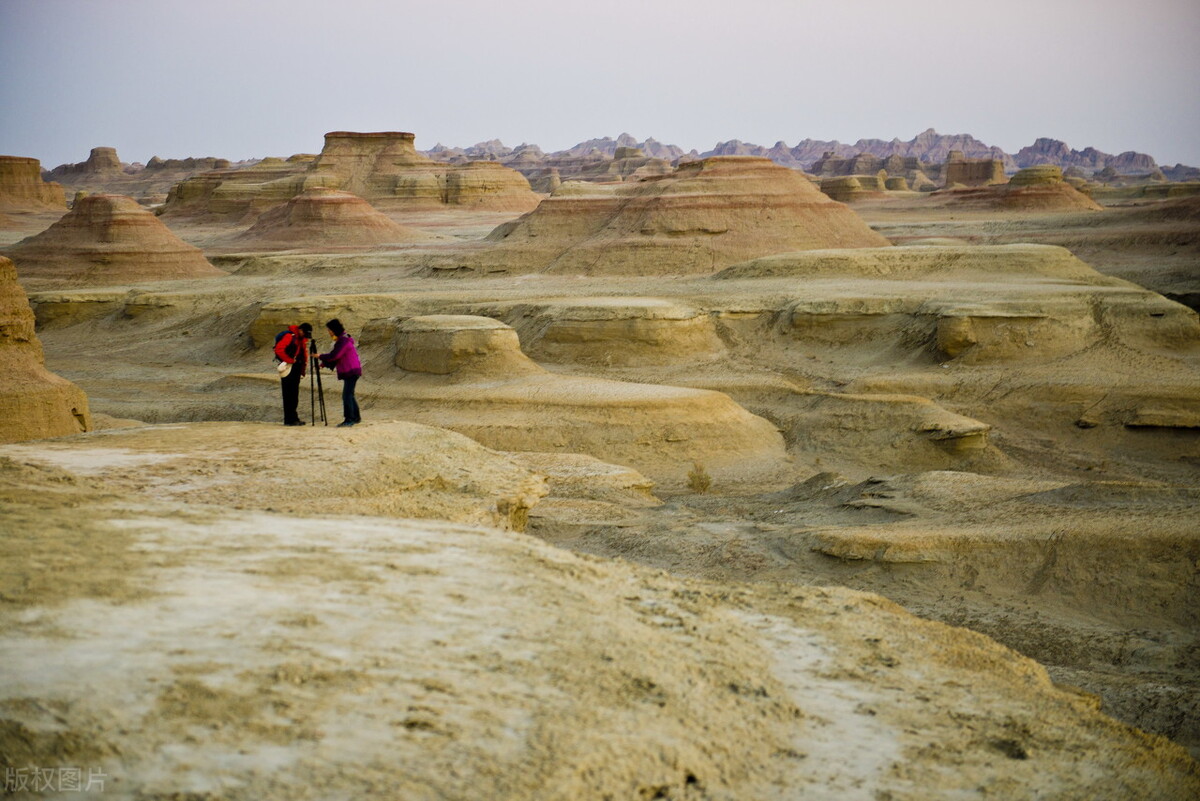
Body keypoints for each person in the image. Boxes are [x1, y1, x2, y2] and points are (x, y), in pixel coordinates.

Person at [316, 318, 362, 427]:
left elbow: (335, 356)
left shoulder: (343, 340)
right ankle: (355, 417)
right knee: (349, 394)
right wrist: (323, 364)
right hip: (352, 370)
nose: (329, 332)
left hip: (351, 370)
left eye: (329, 330)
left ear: (334, 329)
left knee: (347, 395)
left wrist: (320, 356)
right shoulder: (343, 339)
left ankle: (349, 420)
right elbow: (337, 357)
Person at [274, 322, 311, 426]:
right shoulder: (289, 336)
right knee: (288, 394)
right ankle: (290, 420)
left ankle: (293, 418)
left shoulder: (300, 338)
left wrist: (302, 370)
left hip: (296, 368)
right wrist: (289, 360)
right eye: (305, 334)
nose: (306, 337)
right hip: (289, 368)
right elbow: (279, 349)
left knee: (294, 395)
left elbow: (303, 354)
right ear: (301, 330)